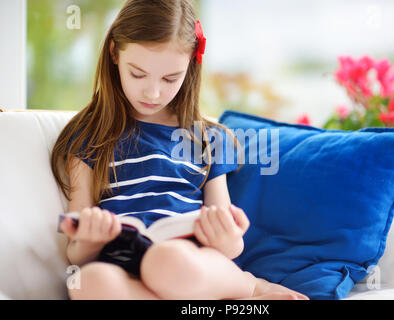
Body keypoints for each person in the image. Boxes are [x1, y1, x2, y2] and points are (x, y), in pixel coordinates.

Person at [52, 0, 308, 300]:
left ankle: (251, 286)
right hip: (122, 265)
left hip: (192, 260)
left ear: (190, 67)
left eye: (170, 79)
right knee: (86, 282)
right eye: (138, 74)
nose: (153, 92)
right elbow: (76, 254)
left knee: (166, 262)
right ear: (114, 53)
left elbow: (229, 245)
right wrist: (89, 239)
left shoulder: (207, 138)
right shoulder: (88, 136)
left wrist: (228, 237)